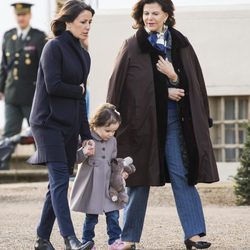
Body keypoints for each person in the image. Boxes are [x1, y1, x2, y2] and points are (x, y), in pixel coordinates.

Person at [107, 0, 219, 249]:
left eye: (155, 13)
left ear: (166, 15)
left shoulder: (181, 43)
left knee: (182, 174)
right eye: (146, 13)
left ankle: (194, 235)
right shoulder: (131, 46)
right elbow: (121, 88)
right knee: (139, 179)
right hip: (142, 125)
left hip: (174, 122)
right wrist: (163, 92)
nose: (149, 17)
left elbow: (194, 84)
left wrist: (173, 76)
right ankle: (128, 238)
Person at [27, 1, 95, 249]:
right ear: (68, 22)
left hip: (69, 125)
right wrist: (78, 89)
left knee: (56, 184)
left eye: (90, 22)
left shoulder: (84, 56)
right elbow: (53, 86)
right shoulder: (52, 48)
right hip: (47, 123)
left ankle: (42, 239)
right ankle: (70, 239)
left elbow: (81, 100)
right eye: (83, 22)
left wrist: (86, 134)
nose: (87, 26)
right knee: (59, 182)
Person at [69, 103, 127, 250]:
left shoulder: (112, 141)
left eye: (114, 131)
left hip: (108, 185)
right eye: (107, 130)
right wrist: (84, 152)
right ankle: (87, 241)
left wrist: (120, 172)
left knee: (113, 214)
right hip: (92, 184)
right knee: (91, 217)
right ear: (95, 124)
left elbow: (113, 160)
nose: (111, 134)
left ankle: (114, 241)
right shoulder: (86, 137)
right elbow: (75, 159)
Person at [0, 2, 47, 170]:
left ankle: (42, 163)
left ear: (29, 15)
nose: (21, 18)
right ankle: (2, 164)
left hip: (32, 94)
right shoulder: (8, 36)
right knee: (9, 133)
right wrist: (1, 88)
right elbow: (4, 66)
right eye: (18, 15)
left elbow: (44, 67)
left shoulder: (39, 37)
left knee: (37, 130)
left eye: (24, 14)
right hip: (11, 94)